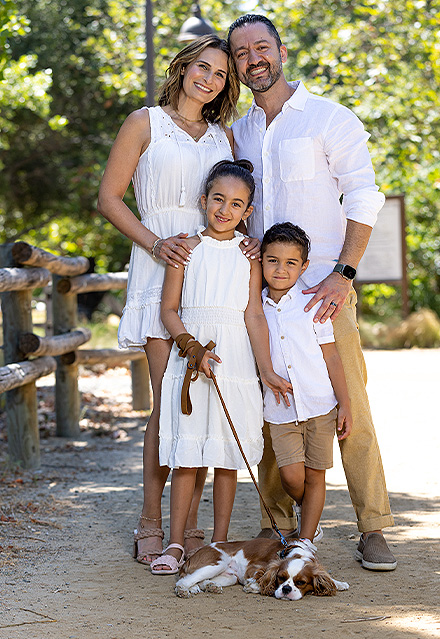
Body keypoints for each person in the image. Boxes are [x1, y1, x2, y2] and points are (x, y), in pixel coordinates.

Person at [228, 14, 397, 570]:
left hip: (323, 292)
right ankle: (278, 525)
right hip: (264, 297)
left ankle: (373, 527)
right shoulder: (242, 131)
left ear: (280, 49)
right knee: (273, 404)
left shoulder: (329, 118)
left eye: (261, 47)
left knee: (351, 410)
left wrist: (343, 273)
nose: (253, 58)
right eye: (242, 52)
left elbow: (364, 199)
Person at [97, 35, 260, 570]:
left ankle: (188, 529)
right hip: (159, 263)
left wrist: (253, 241)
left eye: (220, 74)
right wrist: (154, 243)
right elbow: (108, 198)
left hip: (210, 276)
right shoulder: (144, 122)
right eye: (202, 67)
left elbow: (236, 200)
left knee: (204, 404)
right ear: (184, 67)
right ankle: (151, 522)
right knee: (169, 403)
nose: (210, 79)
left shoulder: (223, 137)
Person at [149, 160, 292, 574]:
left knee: (227, 457)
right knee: (188, 456)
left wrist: (264, 369)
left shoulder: (250, 257)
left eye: (236, 204)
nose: (225, 210)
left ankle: (219, 543)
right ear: (203, 200)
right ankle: (176, 544)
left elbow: (253, 315)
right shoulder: (184, 250)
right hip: (192, 362)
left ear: (248, 211)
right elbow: (169, 310)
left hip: (235, 362)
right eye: (218, 200)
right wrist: (192, 348)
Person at [261, 222, 353, 543]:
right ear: (261, 260)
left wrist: (346, 403)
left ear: (304, 266)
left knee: (316, 475)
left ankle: (306, 542)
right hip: (281, 409)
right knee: (291, 477)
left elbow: (332, 358)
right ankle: (305, 511)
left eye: (290, 263)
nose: (281, 269)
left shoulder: (312, 303)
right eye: (272, 260)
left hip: (319, 405)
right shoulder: (255, 309)